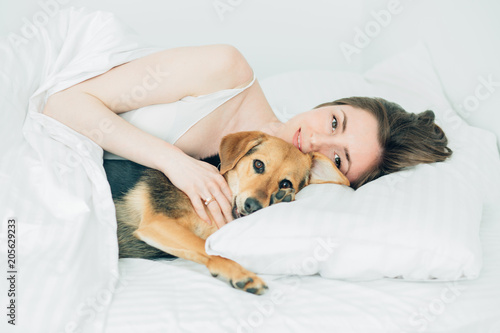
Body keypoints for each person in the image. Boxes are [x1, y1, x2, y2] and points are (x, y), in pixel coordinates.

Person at [42, 44, 452, 229]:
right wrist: (173, 160)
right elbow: (62, 104)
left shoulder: (280, 197)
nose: (313, 143)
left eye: (339, 158)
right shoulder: (227, 71)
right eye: (333, 123)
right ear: (328, 103)